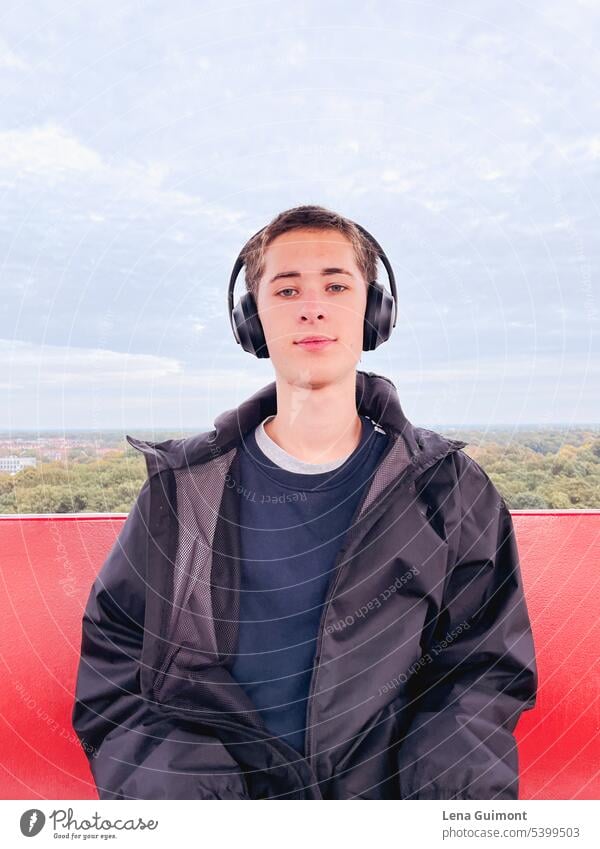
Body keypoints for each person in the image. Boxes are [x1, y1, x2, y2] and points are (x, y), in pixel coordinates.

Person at [72, 204, 538, 800]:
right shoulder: (179, 491)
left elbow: (481, 671)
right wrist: (191, 810)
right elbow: (118, 668)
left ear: (374, 313)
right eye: (286, 288)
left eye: (336, 286)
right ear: (252, 321)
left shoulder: (448, 488)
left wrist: (443, 816)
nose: (312, 306)